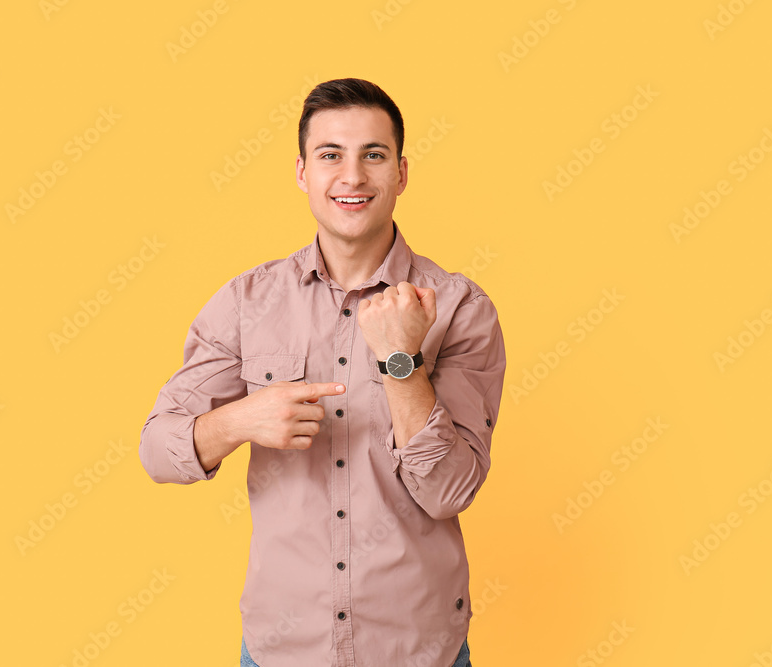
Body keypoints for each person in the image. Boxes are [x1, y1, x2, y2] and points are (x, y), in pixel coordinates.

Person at [139, 77, 506, 667]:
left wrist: (401, 363)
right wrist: (238, 420)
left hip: (416, 650)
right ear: (303, 172)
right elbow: (157, 449)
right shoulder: (245, 303)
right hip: (282, 650)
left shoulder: (459, 307)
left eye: (374, 156)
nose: (352, 177)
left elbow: (449, 492)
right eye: (330, 155)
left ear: (402, 173)